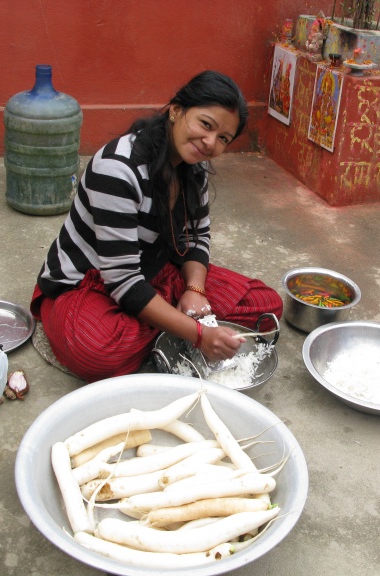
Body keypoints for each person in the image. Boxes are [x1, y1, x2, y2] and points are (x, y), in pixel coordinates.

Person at [30, 70, 283, 382]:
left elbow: (197, 236)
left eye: (223, 139)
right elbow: (121, 280)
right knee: (97, 353)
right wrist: (199, 334)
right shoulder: (118, 169)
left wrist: (194, 289)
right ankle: (169, 325)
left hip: (155, 270)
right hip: (90, 282)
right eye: (206, 124)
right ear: (176, 110)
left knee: (266, 304)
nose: (209, 143)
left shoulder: (195, 167)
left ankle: (165, 321)